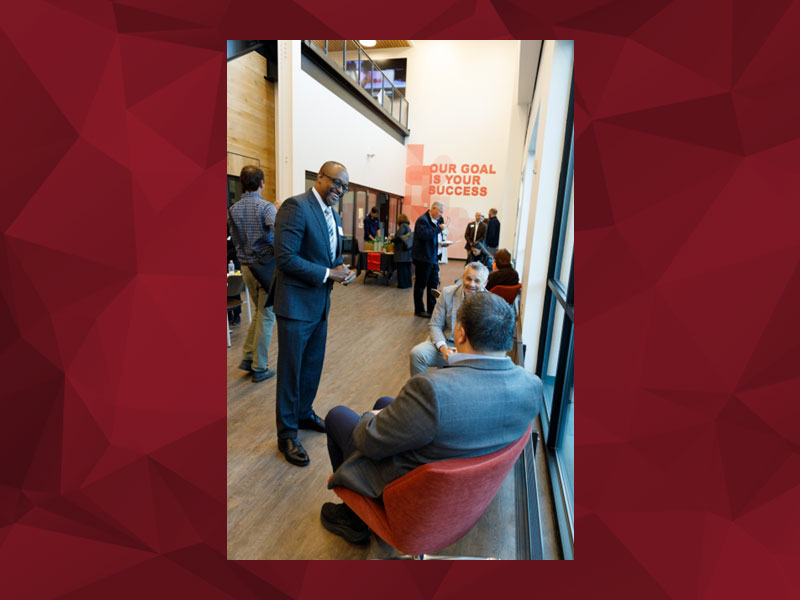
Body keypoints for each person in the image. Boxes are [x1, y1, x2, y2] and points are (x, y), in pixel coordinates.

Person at [320, 292, 542, 543]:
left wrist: (369, 418)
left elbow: (366, 439)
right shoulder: (532, 386)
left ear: (459, 333)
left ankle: (353, 517)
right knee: (385, 402)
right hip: (468, 492)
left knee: (338, 416)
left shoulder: (433, 390)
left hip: (415, 494)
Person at [268, 161, 355, 467]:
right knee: (292, 371)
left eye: (344, 187)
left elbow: (328, 256)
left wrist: (340, 271)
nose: (340, 191)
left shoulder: (330, 213)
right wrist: (328, 273)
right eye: (336, 183)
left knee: (311, 366)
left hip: (320, 304)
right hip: (295, 305)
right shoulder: (296, 206)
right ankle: (287, 434)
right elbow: (286, 258)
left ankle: (303, 413)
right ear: (319, 177)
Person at [227, 165, 277, 383]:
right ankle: (260, 366)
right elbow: (281, 235)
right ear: (261, 183)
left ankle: (248, 357)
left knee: (259, 312)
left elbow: (235, 241)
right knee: (268, 315)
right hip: (266, 268)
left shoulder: (232, 209)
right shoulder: (266, 208)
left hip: (246, 267)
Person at [409, 262, 488, 376]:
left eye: (477, 281)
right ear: (462, 278)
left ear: (485, 283)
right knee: (417, 354)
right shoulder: (447, 293)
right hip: (446, 342)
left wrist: (465, 351)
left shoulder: (490, 302)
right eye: (468, 279)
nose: (471, 284)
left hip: (473, 350)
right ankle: (420, 392)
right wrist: (443, 348)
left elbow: (486, 338)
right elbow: (435, 325)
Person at [411, 201, 445, 318]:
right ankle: (419, 310)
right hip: (423, 258)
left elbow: (434, 238)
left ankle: (432, 309)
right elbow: (424, 236)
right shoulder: (423, 220)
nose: (441, 214)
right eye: (440, 212)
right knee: (420, 285)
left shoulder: (437, 221)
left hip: (433, 258)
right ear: (433, 208)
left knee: (433, 285)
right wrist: (438, 229)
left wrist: (442, 243)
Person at [392, 213, 413, 289]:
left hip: (402, 253)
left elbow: (398, 237)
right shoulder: (408, 227)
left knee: (401, 269)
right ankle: (408, 283)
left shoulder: (402, 226)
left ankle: (402, 285)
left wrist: (392, 240)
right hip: (408, 252)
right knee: (407, 269)